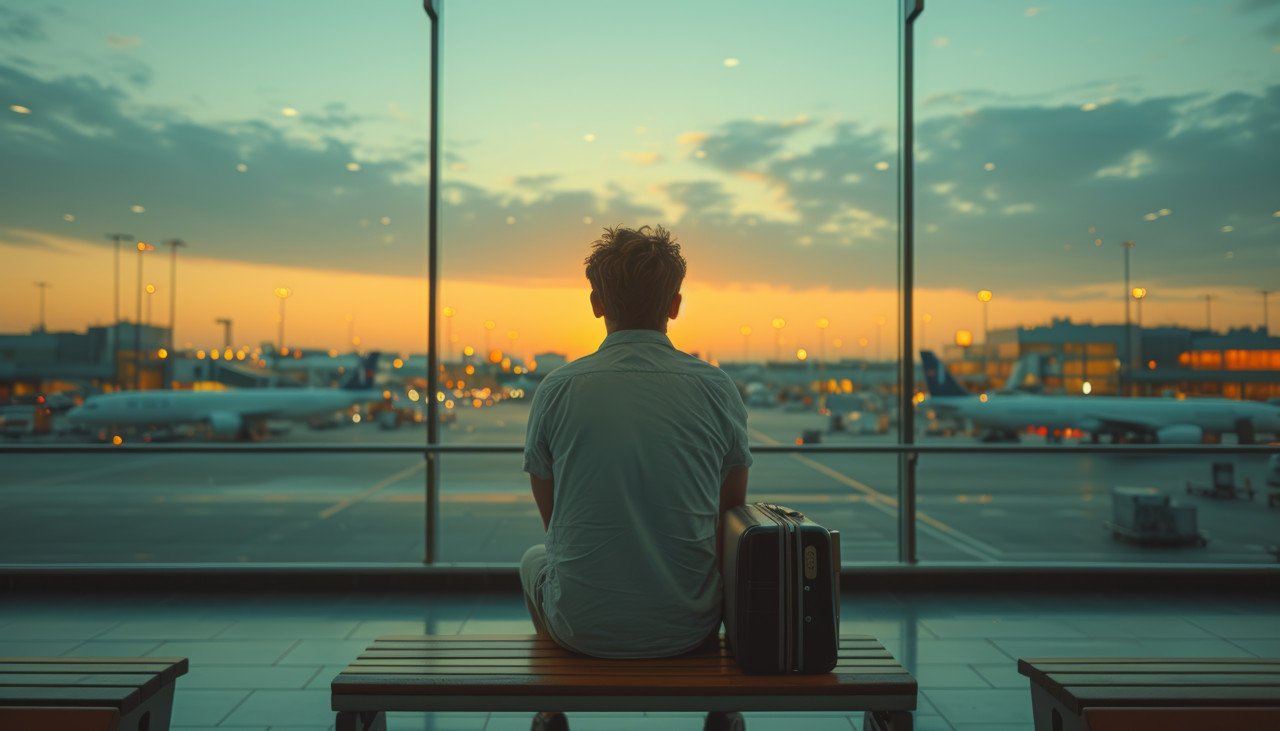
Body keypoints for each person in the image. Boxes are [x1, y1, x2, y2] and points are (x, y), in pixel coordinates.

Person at [520, 225, 752, 730]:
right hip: (689, 626)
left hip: (580, 627)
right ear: (675, 304)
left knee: (536, 559)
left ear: (596, 303)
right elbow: (729, 516)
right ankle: (722, 710)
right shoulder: (716, 388)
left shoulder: (558, 388)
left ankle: (552, 707)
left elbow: (554, 520)